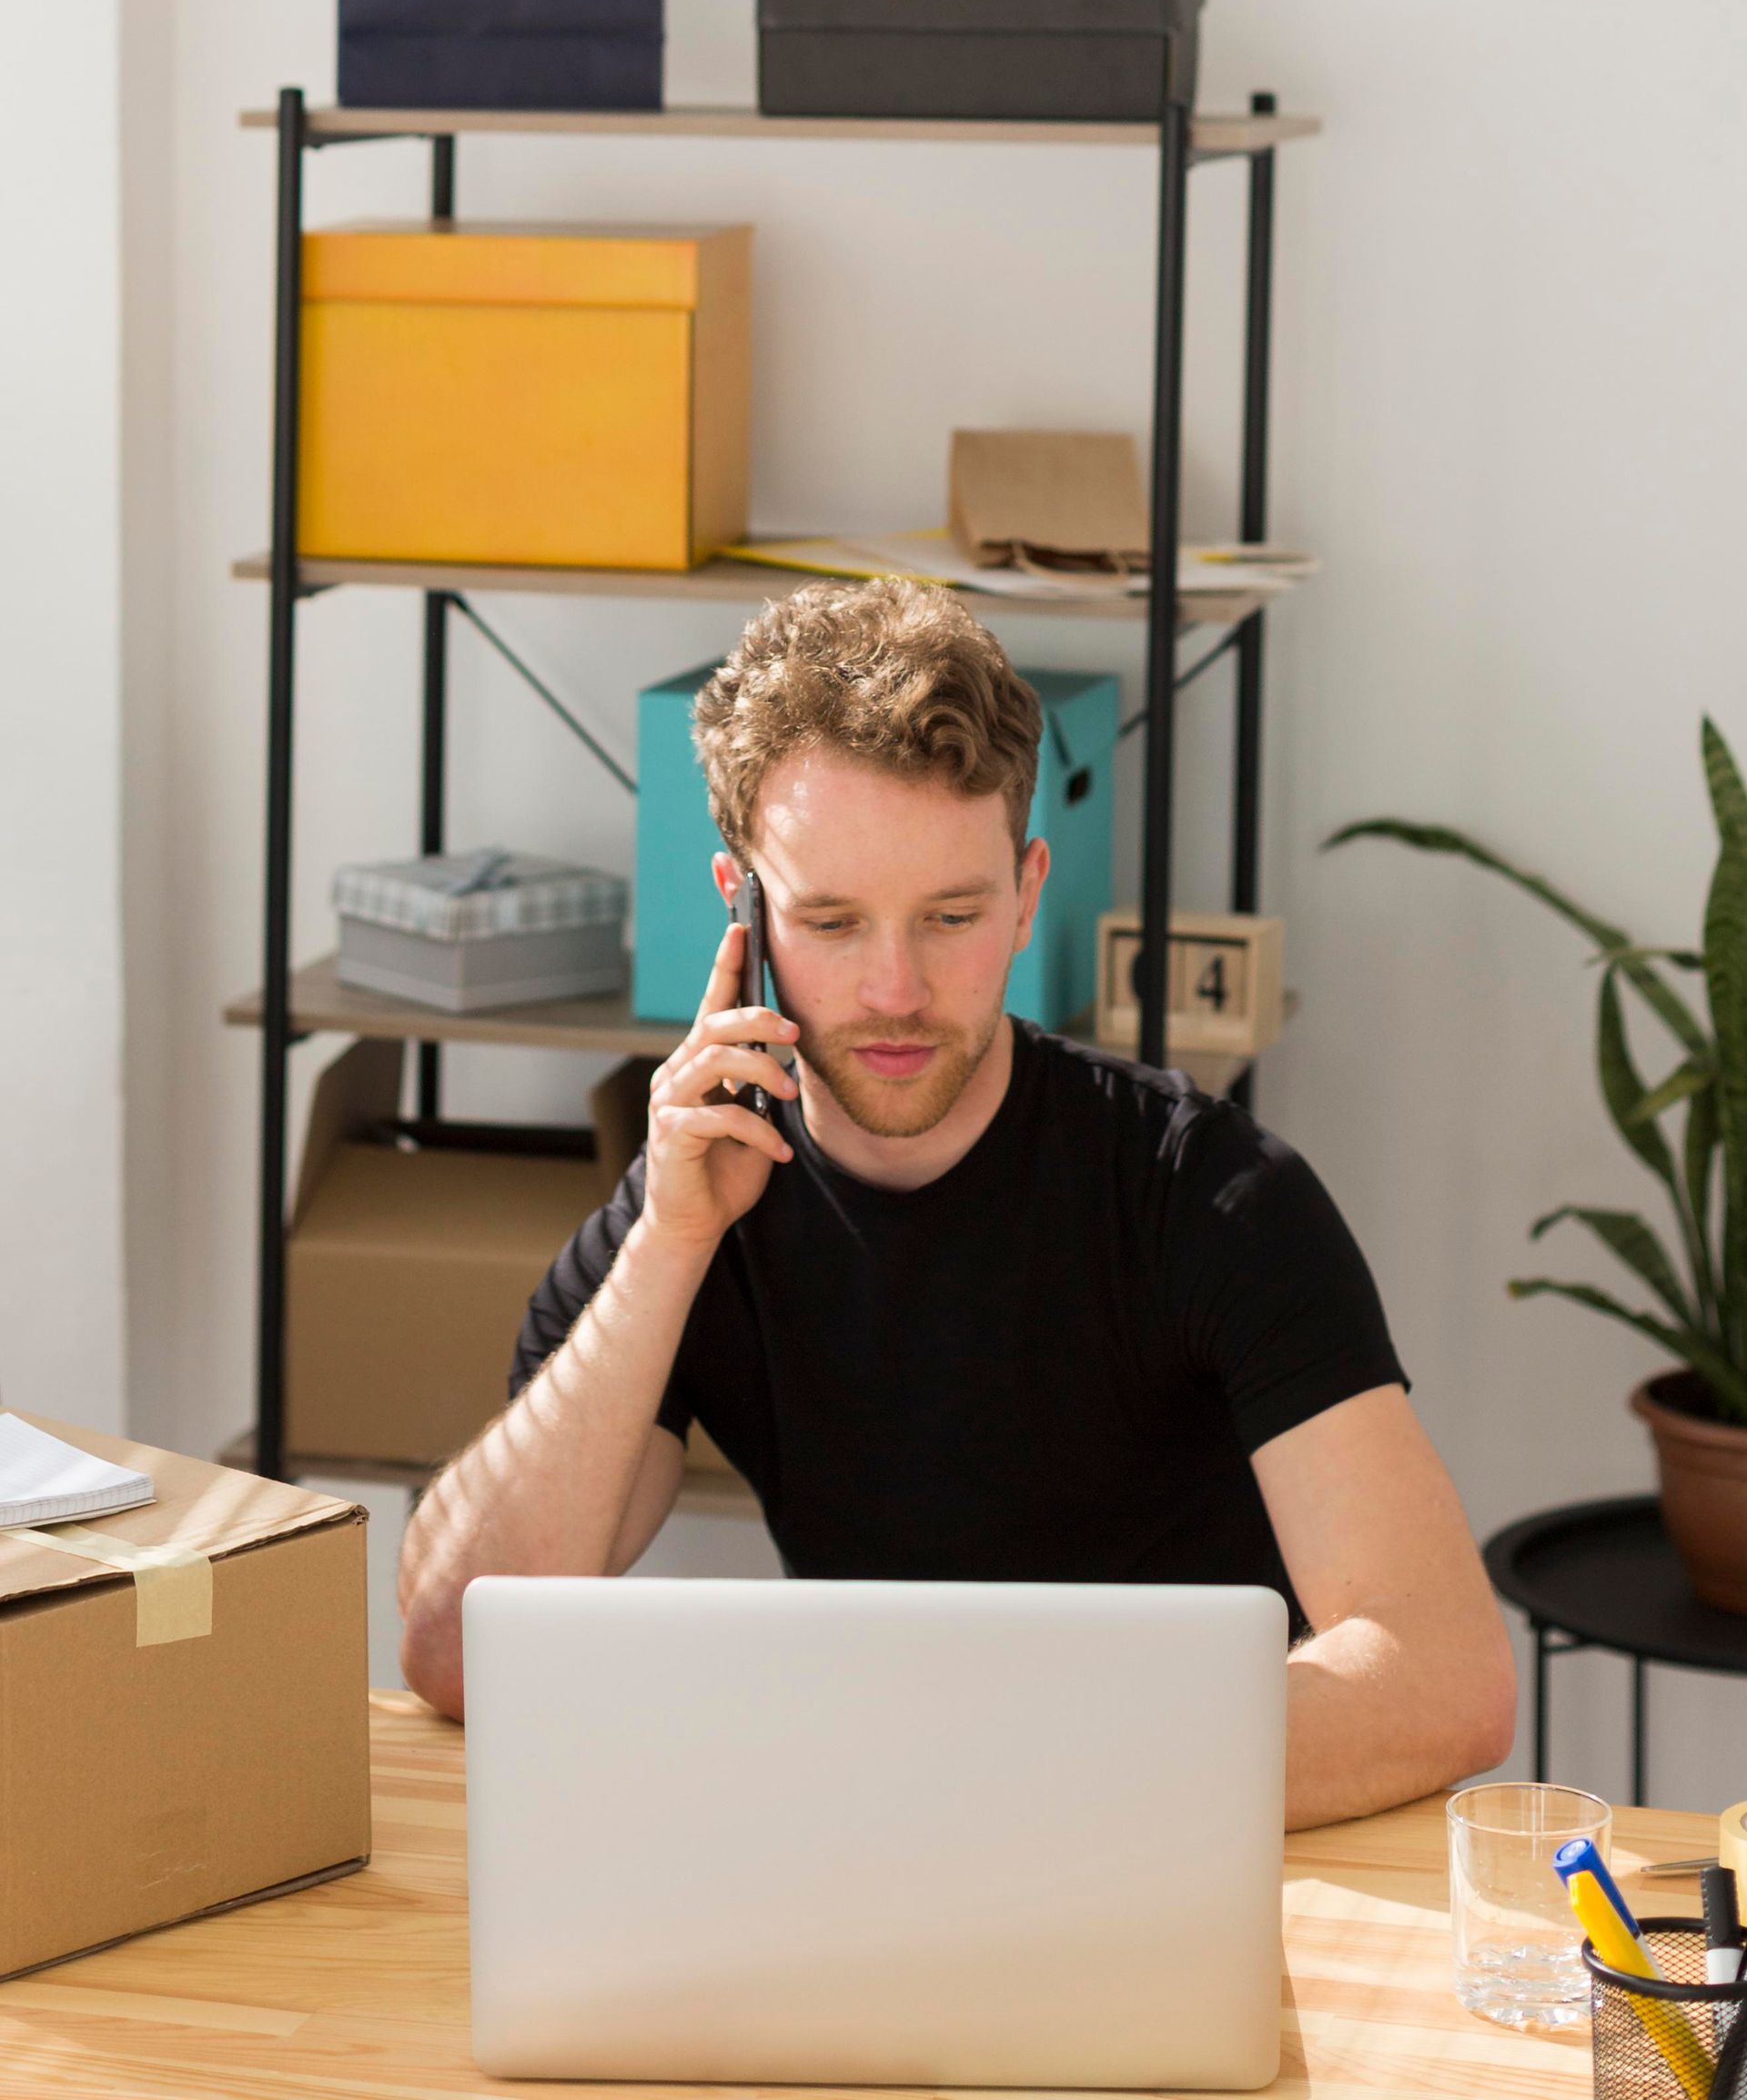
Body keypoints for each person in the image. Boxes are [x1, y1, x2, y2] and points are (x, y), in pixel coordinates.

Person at [399, 580, 1515, 1824]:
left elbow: (1446, 1677)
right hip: (890, 1858)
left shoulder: (1212, 1198)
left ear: (1029, 890)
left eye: (952, 917)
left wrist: (998, 1784)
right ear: (744, 908)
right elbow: (455, 1651)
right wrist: (671, 1245)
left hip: (1185, 1856)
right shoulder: (698, 1199)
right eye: (830, 922)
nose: (894, 990)